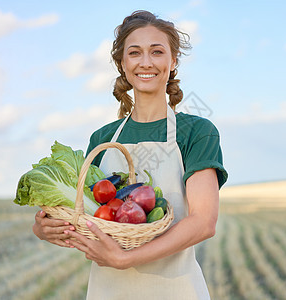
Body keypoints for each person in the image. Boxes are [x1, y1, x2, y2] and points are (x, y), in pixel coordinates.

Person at [32, 10, 228, 299]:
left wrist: (125, 259)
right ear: (122, 64)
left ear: (173, 62)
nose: (146, 62)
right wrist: (44, 228)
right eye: (134, 53)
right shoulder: (103, 139)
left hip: (176, 289)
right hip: (108, 290)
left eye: (157, 52)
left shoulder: (197, 131)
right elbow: (87, 215)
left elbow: (203, 222)